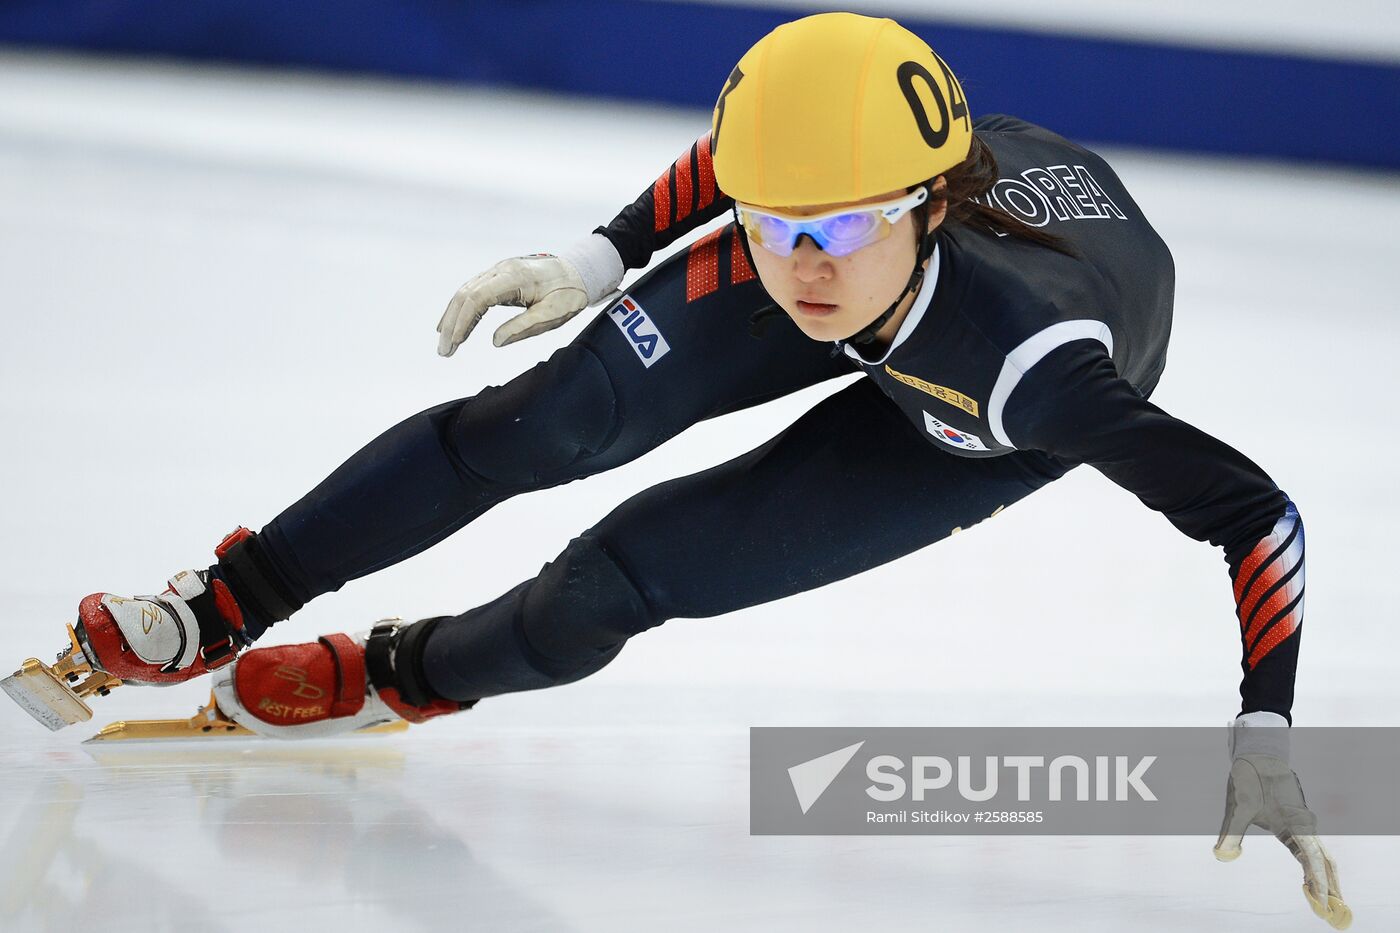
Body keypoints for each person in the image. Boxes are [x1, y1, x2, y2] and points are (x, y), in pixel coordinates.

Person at [7, 12, 1348, 927]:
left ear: (930, 205)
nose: (803, 265)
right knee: (541, 423)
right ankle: (221, 601)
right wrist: (600, 254)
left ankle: (397, 674)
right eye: (778, 229)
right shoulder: (826, 217)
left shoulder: (1039, 374)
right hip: (936, 250)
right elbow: (754, 165)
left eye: (837, 231)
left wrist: (1268, 723)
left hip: (964, 409)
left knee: (623, 578)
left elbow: (1256, 513)